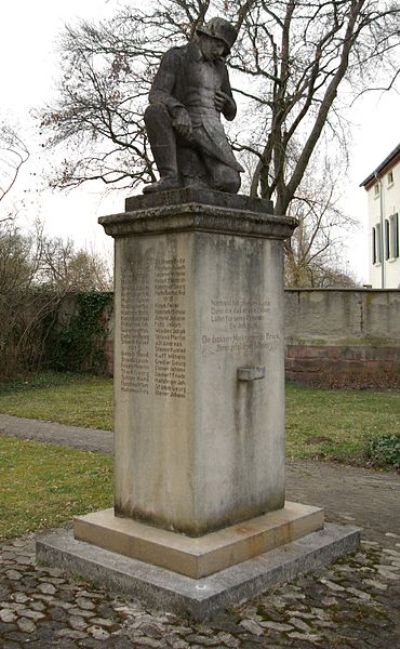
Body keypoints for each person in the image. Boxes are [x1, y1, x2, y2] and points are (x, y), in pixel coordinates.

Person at [143, 17, 244, 194]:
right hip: (183, 127)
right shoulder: (177, 56)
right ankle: (170, 177)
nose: (219, 51)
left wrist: (228, 104)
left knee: (230, 182)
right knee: (154, 112)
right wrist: (178, 110)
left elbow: (231, 112)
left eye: (223, 48)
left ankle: (194, 173)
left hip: (211, 131)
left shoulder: (221, 68)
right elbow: (157, 93)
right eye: (217, 44)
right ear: (205, 36)